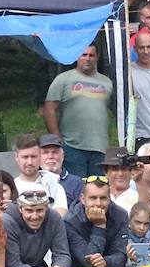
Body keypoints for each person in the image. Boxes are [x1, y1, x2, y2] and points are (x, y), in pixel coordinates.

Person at [43, 45, 114, 178]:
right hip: (72, 147)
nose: (88, 58)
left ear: (97, 58)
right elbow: (49, 109)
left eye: (91, 55)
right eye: (84, 55)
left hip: (100, 147)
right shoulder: (63, 79)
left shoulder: (107, 83)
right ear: (77, 57)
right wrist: (57, 137)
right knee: (75, 187)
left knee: (97, 189)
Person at [12, 133, 69, 214]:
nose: (29, 162)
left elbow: (61, 215)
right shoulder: (11, 187)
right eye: (25, 157)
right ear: (16, 157)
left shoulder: (55, 185)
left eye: (33, 157)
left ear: (40, 156)